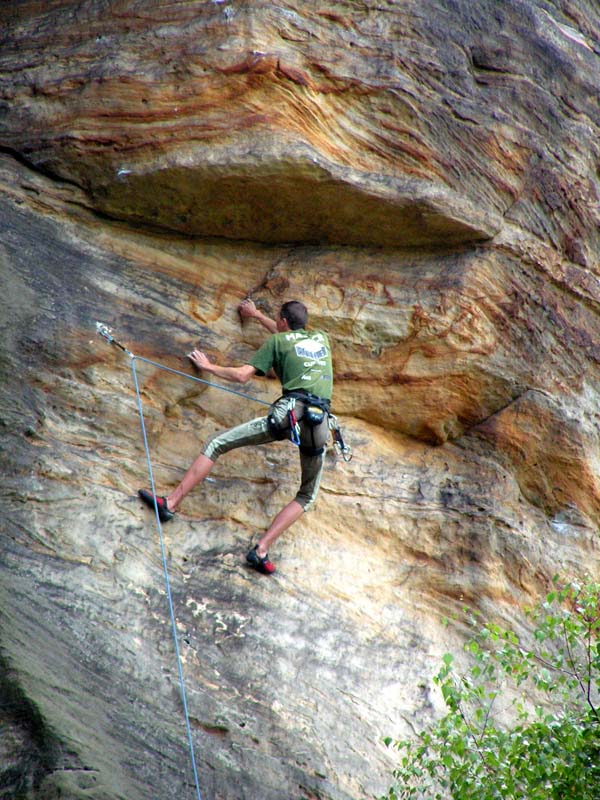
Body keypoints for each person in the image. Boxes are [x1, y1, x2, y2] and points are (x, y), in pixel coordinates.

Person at [138, 298, 334, 574]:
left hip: (287, 416)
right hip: (320, 423)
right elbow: (287, 335)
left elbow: (243, 375)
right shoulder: (321, 338)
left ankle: (170, 503)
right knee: (306, 495)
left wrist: (209, 368)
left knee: (217, 444)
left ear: (283, 322)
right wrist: (256, 316)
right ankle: (261, 550)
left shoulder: (277, 342)